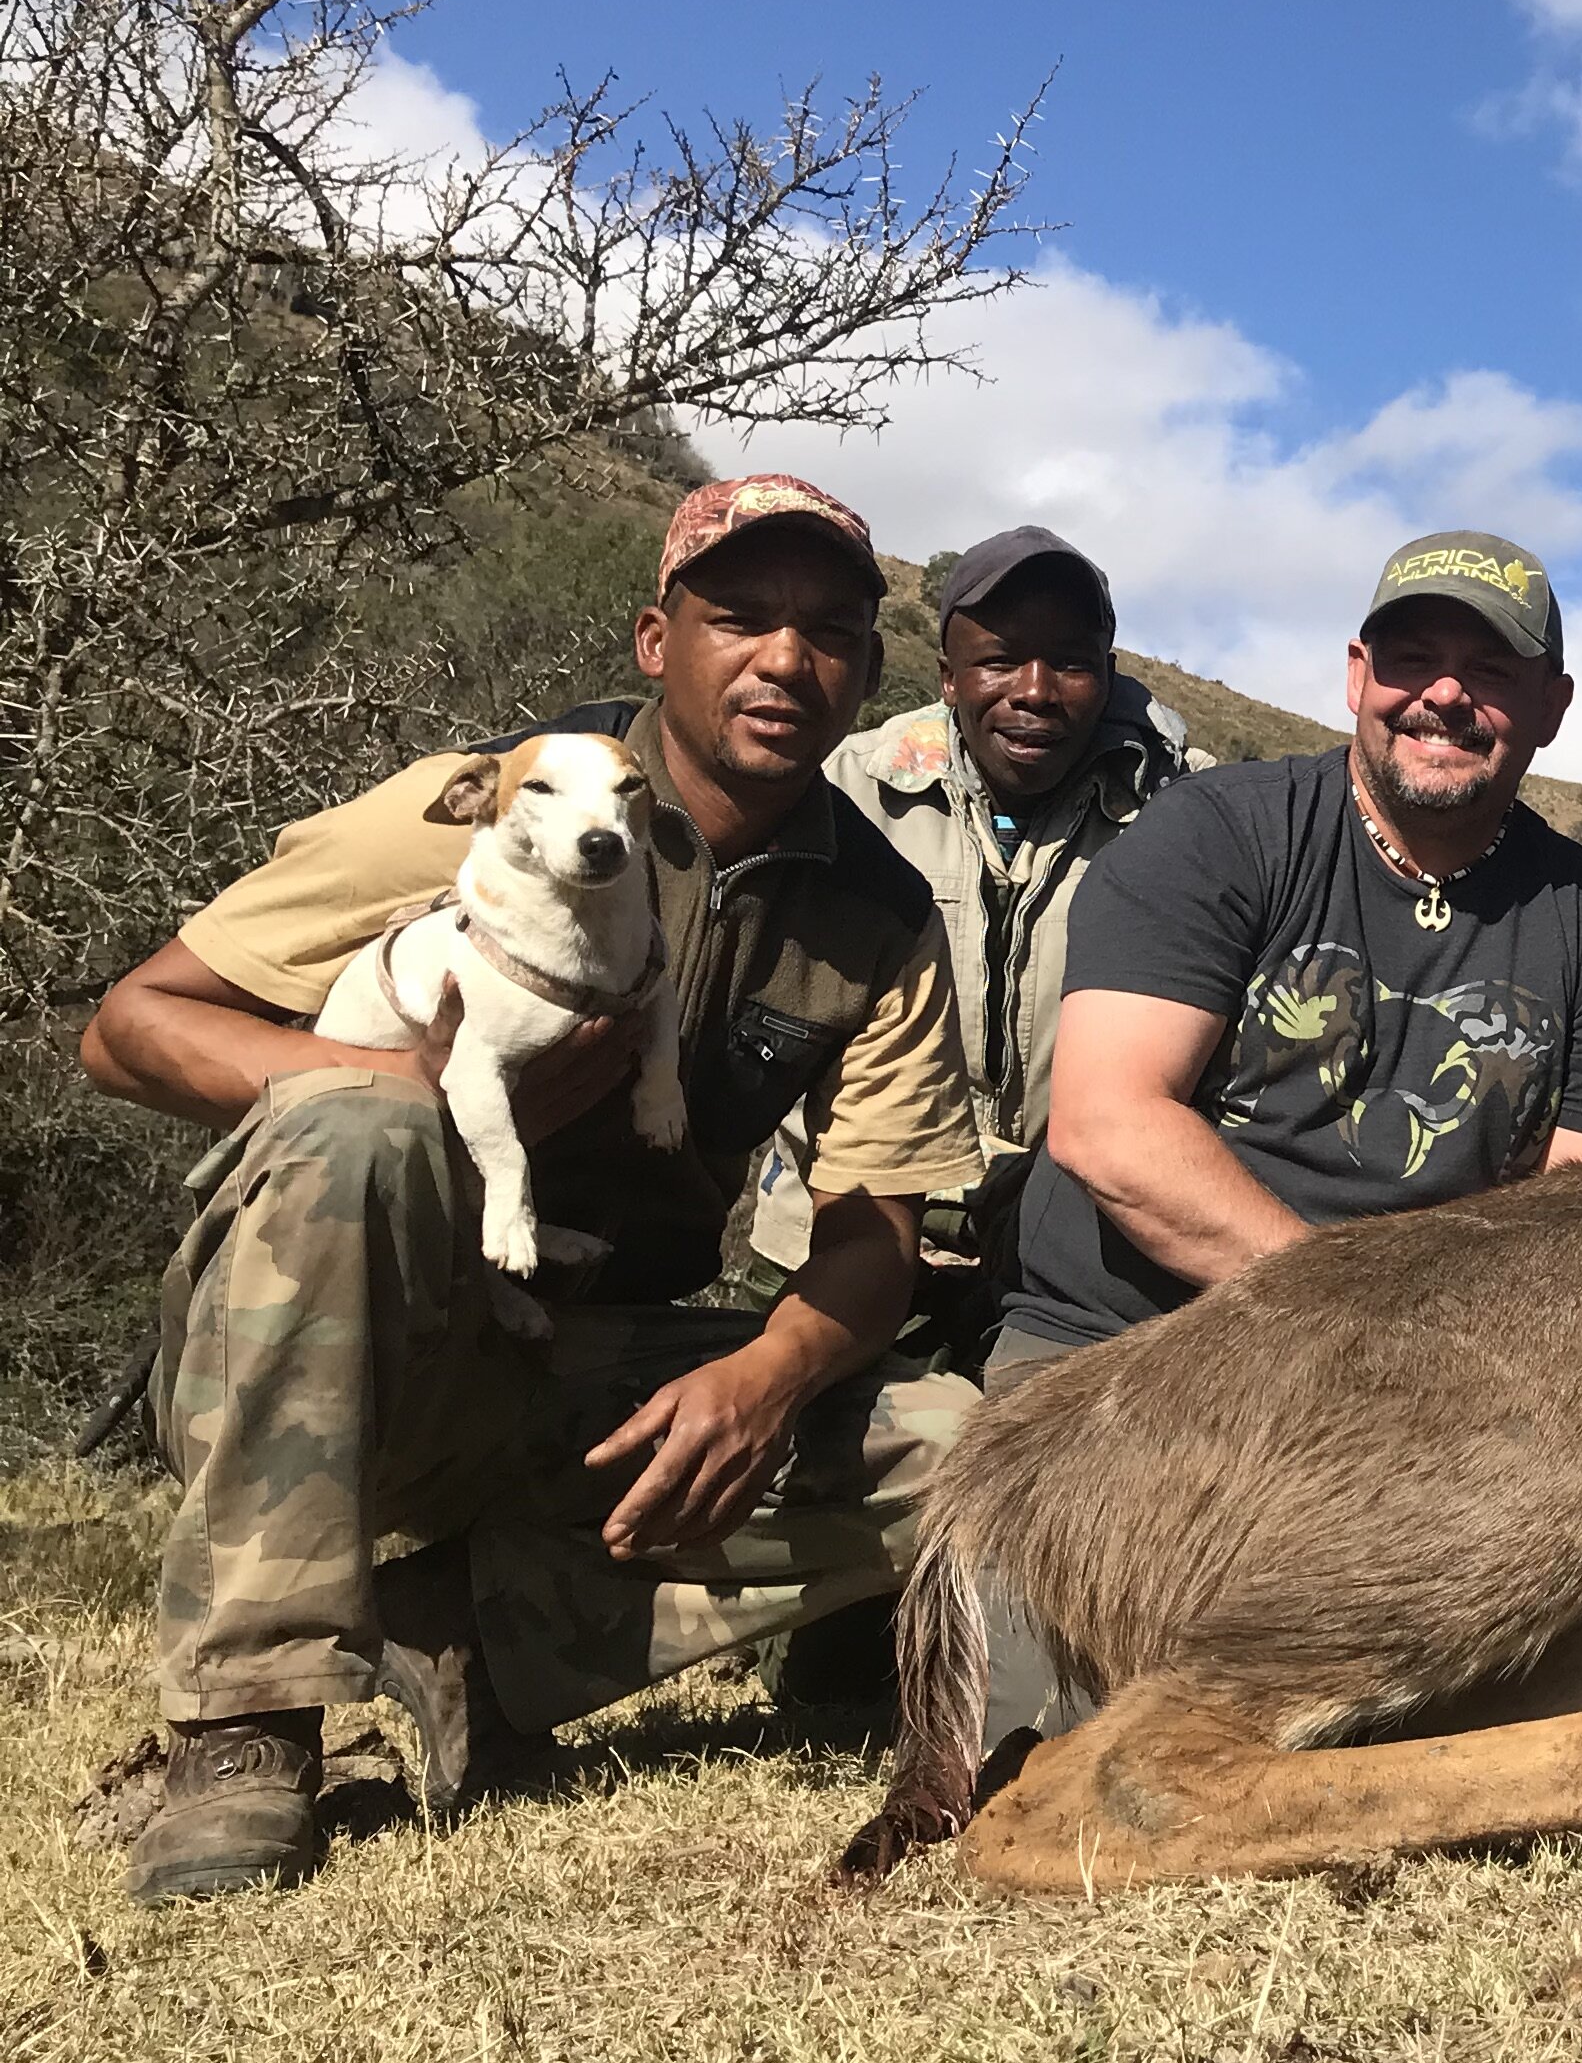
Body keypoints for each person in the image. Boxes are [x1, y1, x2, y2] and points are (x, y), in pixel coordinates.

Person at [74, 475, 988, 1903]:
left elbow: (875, 1225)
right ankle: (245, 1725)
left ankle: (468, 1638)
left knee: (956, 1448)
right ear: (654, 640)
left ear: (871, 673)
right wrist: (395, 1091)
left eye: (829, 632)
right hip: (347, 1332)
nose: (784, 661)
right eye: (739, 616)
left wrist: (768, 1374)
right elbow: (131, 1024)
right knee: (350, 1137)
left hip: (585, 1345)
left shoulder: (875, 912)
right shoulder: (471, 798)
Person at [997, 530, 1582, 1380]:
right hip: (1121, 1347)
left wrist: (1420, 1365)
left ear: (1552, 705)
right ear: (1358, 673)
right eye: (1412, 657)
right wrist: (1350, 1323)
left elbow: (1575, 1222)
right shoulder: (1213, 833)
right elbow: (1108, 1128)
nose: (1446, 694)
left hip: (1433, 1379)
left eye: (1493, 670)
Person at [744, 523, 1202, 1331]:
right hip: (826, 1239)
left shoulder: (1191, 820)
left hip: (1066, 1271)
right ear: (948, 677)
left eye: (1071, 662)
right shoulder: (837, 791)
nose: (1035, 690)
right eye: (999, 659)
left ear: (1107, 675)